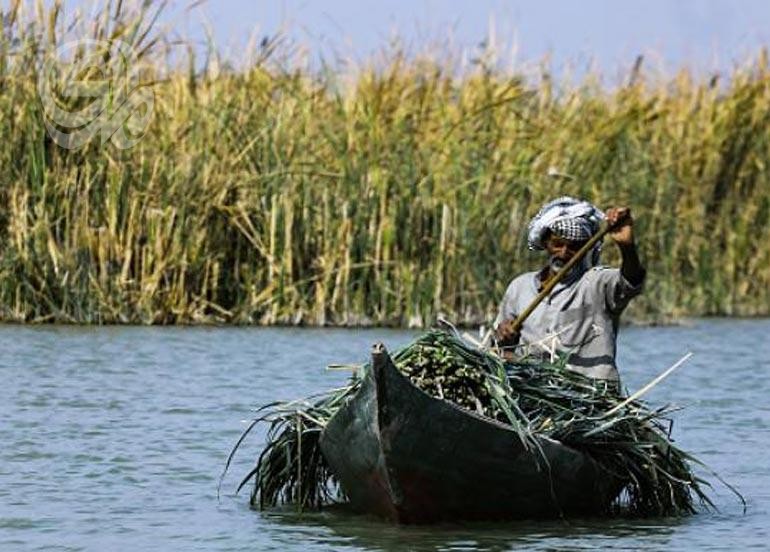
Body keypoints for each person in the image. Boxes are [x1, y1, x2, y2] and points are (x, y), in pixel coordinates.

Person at [494, 196, 645, 386]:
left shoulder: (596, 283)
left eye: (574, 247)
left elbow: (630, 280)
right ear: (545, 242)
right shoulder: (520, 287)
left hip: (589, 396)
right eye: (557, 244)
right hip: (534, 391)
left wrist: (627, 247)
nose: (564, 253)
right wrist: (504, 338)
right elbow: (499, 350)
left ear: (585, 248)